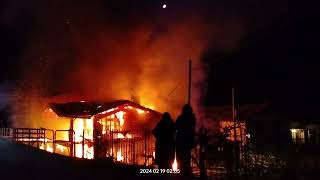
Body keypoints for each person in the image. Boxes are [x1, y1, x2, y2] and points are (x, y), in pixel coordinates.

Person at [175, 104, 196, 176]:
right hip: (188, 141)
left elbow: (175, 127)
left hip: (180, 141)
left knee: (180, 157)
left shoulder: (181, 118)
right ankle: (186, 172)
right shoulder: (192, 118)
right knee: (187, 157)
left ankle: (181, 172)